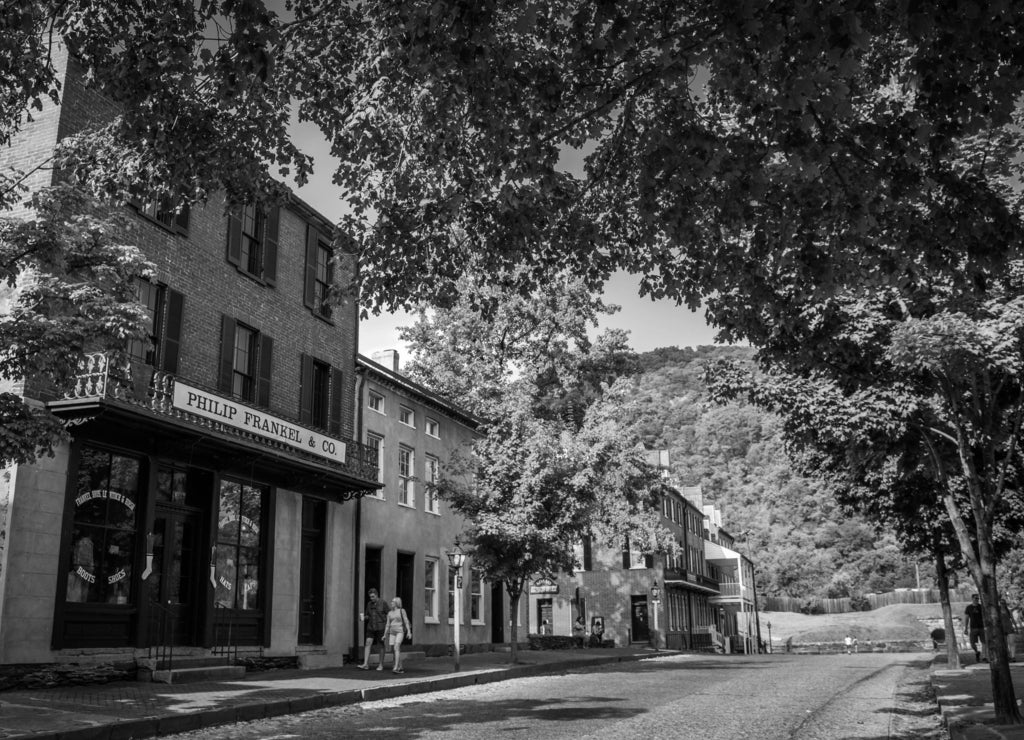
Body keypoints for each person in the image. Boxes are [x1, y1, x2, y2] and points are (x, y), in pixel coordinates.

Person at [358, 588, 389, 670]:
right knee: (368, 643)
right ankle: (365, 664)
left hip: (381, 627)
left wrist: (387, 625)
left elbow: (389, 614)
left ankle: (381, 665)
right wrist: (364, 618)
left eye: (373, 596)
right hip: (371, 626)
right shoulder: (369, 604)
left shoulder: (383, 603)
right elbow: (368, 615)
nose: (371, 598)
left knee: (381, 645)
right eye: (370, 597)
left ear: (376, 595)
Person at [385, 596, 412, 674]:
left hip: (400, 631)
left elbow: (406, 621)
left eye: (393, 601)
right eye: (391, 601)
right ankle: (400, 667)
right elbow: (387, 624)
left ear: (397, 603)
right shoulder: (389, 613)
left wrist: (409, 632)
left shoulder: (401, 611)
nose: (391, 603)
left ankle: (396, 667)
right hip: (392, 632)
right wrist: (385, 634)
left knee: (396, 647)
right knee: (394, 650)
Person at [965, 593, 986, 663]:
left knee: (984, 642)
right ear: (972, 599)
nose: (977, 599)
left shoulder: (981, 607)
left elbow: (985, 617)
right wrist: (965, 628)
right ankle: (977, 652)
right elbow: (967, 618)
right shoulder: (969, 608)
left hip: (982, 627)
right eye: (975, 598)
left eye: (978, 598)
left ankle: (984, 657)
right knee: (972, 643)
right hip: (973, 627)